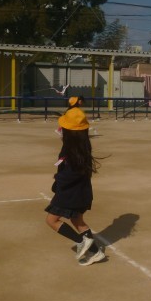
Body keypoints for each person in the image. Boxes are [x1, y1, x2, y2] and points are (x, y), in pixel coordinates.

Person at [45, 107, 105, 266]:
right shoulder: (80, 144)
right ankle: (95, 253)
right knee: (78, 220)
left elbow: (71, 173)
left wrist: (58, 180)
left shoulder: (74, 149)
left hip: (70, 193)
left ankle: (81, 241)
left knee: (51, 220)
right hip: (81, 192)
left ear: (71, 133)